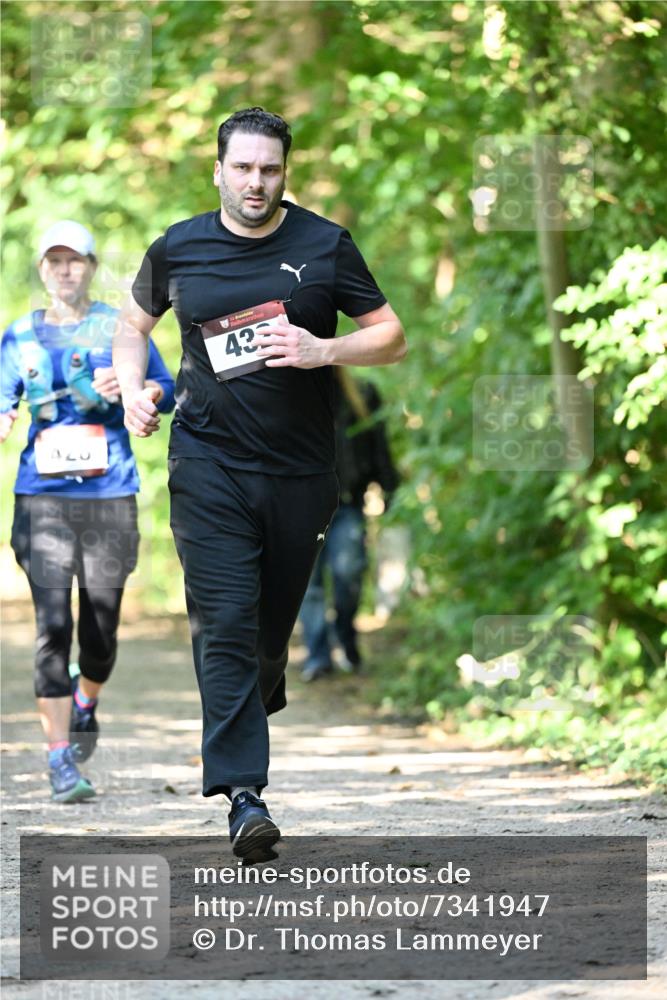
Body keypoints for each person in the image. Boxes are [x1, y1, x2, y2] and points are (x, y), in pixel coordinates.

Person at [113, 107, 406, 859]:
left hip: (302, 474)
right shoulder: (178, 248)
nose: (255, 182)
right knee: (224, 624)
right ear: (217, 170)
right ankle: (244, 794)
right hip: (207, 465)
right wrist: (132, 388)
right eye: (242, 168)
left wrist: (323, 347)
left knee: (266, 633)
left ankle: (264, 676)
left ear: (285, 171)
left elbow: (391, 336)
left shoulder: (322, 244)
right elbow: (131, 326)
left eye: (269, 169)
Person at [0, 220, 175, 804]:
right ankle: (58, 760)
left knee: (100, 630)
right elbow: (3, 400)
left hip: (110, 496)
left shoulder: (119, 328)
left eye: (74, 260)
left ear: (93, 267)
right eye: (53, 261)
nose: (64, 270)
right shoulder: (19, 336)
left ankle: (86, 699)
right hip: (41, 498)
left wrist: (137, 392)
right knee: (53, 627)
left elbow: (165, 389)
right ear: (42, 271)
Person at [299, 368, 399, 681]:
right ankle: (318, 656)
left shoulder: (362, 392)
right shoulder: (284, 394)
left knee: (348, 573)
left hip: (347, 503)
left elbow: (379, 446)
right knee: (307, 585)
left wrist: (390, 490)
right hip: (299, 508)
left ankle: (345, 637)